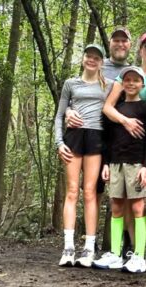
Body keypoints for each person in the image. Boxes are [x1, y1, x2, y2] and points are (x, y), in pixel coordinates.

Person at [55, 44, 114, 267]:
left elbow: (114, 113)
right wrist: (59, 143)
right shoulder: (70, 84)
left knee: (90, 192)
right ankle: (68, 247)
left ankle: (89, 248)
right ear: (83, 59)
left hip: (96, 138)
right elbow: (60, 115)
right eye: (88, 56)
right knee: (72, 191)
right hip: (74, 138)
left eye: (96, 57)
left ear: (102, 63)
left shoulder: (109, 85)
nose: (92, 60)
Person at [92, 66, 146, 273]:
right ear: (122, 83)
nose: (130, 83)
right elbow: (108, 140)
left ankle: (138, 255)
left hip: (137, 164)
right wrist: (106, 164)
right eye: (127, 80)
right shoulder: (116, 108)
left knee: (138, 208)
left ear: (142, 84)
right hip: (116, 164)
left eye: (135, 80)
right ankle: (115, 254)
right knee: (116, 206)